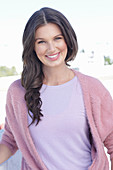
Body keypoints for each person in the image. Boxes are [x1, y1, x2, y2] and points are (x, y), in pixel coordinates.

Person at [0, 7, 113, 170]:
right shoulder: (18, 92)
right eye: (41, 42)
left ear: (67, 39)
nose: (51, 48)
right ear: (32, 46)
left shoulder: (93, 89)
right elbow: (10, 141)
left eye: (57, 38)